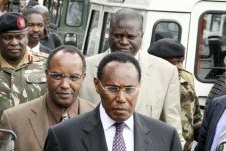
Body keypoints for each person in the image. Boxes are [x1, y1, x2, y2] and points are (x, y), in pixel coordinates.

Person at [79, 8, 184, 144]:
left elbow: (173, 131)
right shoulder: (85, 68)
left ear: (142, 36)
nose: (123, 42)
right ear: (108, 34)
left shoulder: (166, 72)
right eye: (117, 35)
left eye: (130, 37)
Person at [44, 52, 182, 151]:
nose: (121, 98)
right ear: (97, 85)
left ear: (139, 85)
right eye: (112, 89)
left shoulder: (166, 136)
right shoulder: (63, 136)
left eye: (129, 90)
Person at [0, 45, 96, 151]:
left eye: (74, 77)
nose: (65, 85)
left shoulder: (99, 117)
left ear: (83, 77)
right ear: (46, 75)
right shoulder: (14, 119)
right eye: (57, 76)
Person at [0, 12, 48, 128]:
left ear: (26, 37)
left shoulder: (47, 64)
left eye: (19, 37)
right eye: (7, 37)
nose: (14, 43)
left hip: (34, 141)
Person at [148, 38, 202, 151]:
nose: (179, 67)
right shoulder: (146, 84)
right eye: (173, 63)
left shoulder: (186, 80)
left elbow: (195, 120)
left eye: (181, 61)